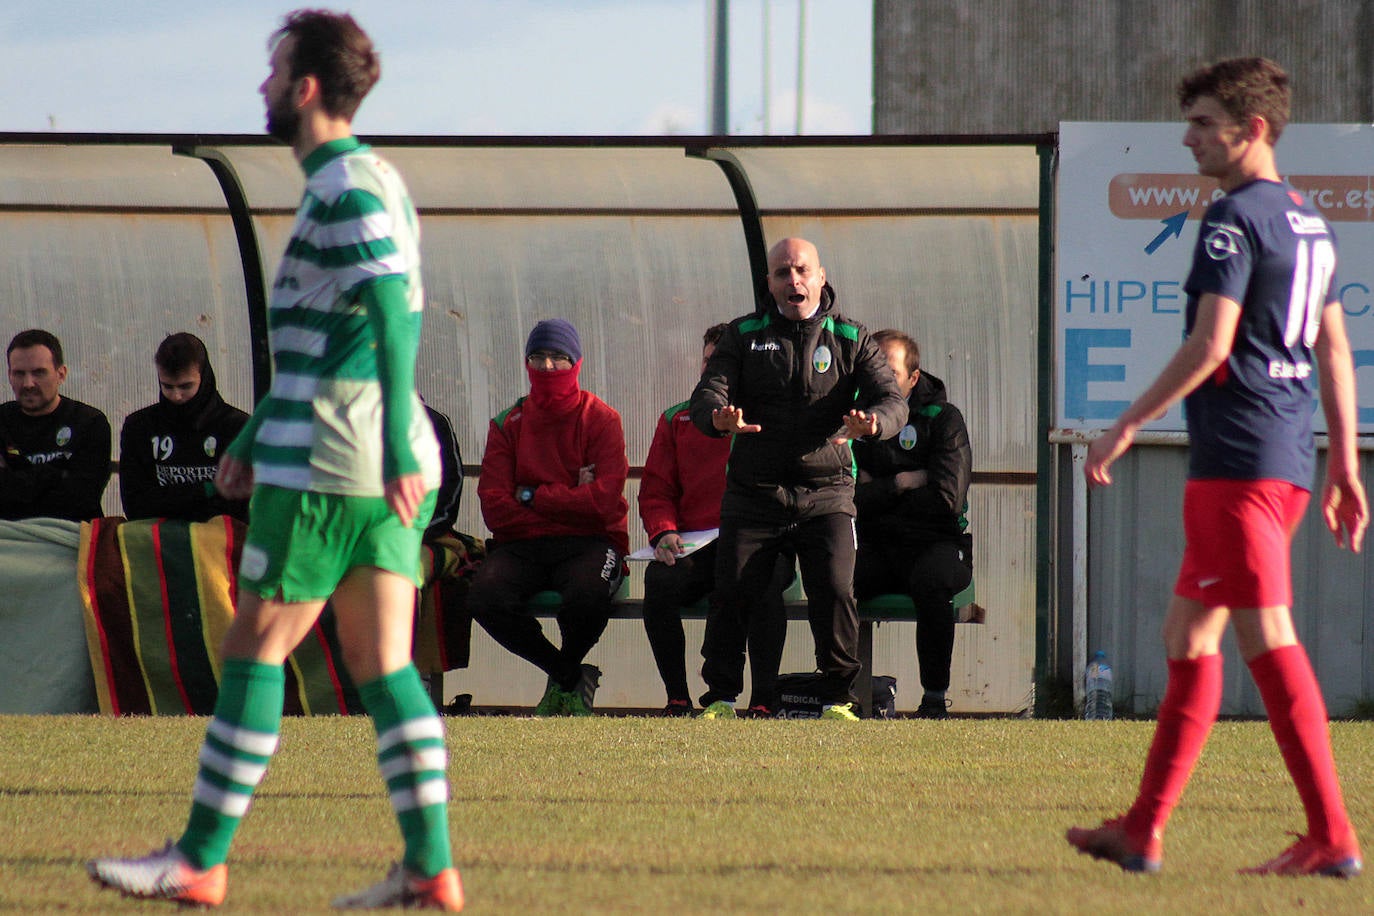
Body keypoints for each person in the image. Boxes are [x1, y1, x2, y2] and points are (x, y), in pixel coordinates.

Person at [87, 11, 463, 910]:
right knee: (382, 665)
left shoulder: (344, 186)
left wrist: (369, 440)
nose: (259, 87)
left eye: (270, 72)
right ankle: (429, 868)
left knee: (254, 650)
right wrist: (252, 439)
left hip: (337, 462)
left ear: (302, 90)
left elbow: (392, 314)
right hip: (360, 455)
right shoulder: (362, 182)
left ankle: (200, 859)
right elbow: (330, 340)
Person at [1066, 58, 1365, 878]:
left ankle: (1333, 835)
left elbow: (1210, 343)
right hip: (1284, 462)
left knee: (1268, 634)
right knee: (1186, 634)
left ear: (1253, 130)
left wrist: (1126, 423)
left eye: (1203, 123)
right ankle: (1142, 829)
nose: (1188, 137)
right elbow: (1336, 353)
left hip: (1236, 463)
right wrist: (1342, 463)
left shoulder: (1232, 217)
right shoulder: (1310, 222)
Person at [689, 237, 908, 720]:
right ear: (769, 283)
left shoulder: (851, 338)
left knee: (833, 588)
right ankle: (721, 698)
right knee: (732, 592)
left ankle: (838, 698)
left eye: (802, 271)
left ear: (821, 277)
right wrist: (718, 418)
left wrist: (873, 423)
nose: (794, 281)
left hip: (826, 493)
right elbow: (708, 392)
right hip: (755, 492)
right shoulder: (742, 336)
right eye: (783, 273)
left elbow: (893, 401)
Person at [468, 318, 629, 717]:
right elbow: (493, 507)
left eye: (559, 357)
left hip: (591, 543)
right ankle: (566, 674)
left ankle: (563, 681)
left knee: (587, 597)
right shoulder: (507, 424)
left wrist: (531, 495)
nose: (548, 367)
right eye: (538, 357)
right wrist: (570, 494)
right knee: (484, 594)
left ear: (576, 363)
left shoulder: (601, 420)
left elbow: (604, 502)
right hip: (521, 547)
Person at [638, 323, 792, 717]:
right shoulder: (678, 419)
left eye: (721, 361)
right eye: (708, 361)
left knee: (766, 581)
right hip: (697, 546)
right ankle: (678, 698)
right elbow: (656, 490)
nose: (713, 369)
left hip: (759, 541)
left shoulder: (770, 419)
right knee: (658, 580)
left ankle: (762, 699)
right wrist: (664, 532)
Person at [853, 329, 972, 720]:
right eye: (876, 371)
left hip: (935, 543)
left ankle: (934, 699)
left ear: (913, 378)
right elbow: (850, 498)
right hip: (879, 543)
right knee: (834, 577)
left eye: (892, 371)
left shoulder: (944, 420)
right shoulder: (860, 423)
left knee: (932, 581)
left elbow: (945, 499)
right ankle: (840, 694)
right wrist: (904, 481)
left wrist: (880, 489)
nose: (883, 380)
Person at [119, 333, 251, 523]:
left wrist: (170, 499)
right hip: (157, 541)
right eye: (167, 386)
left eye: (186, 386)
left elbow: (238, 508)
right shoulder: (140, 426)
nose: (176, 396)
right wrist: (207, 490)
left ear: (204, 377)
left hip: (216, 545)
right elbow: (136, 505)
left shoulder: (236, 427)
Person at [0, 328, 111, 522]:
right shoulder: (2, 420)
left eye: (39, 373)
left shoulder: (89, 422)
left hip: (70, 537)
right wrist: (55, 474)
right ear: (9, 375)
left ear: (61, 374)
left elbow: (82, 500)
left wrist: (15, 479)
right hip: (9, 537)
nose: (28, 384)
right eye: (19, 373)